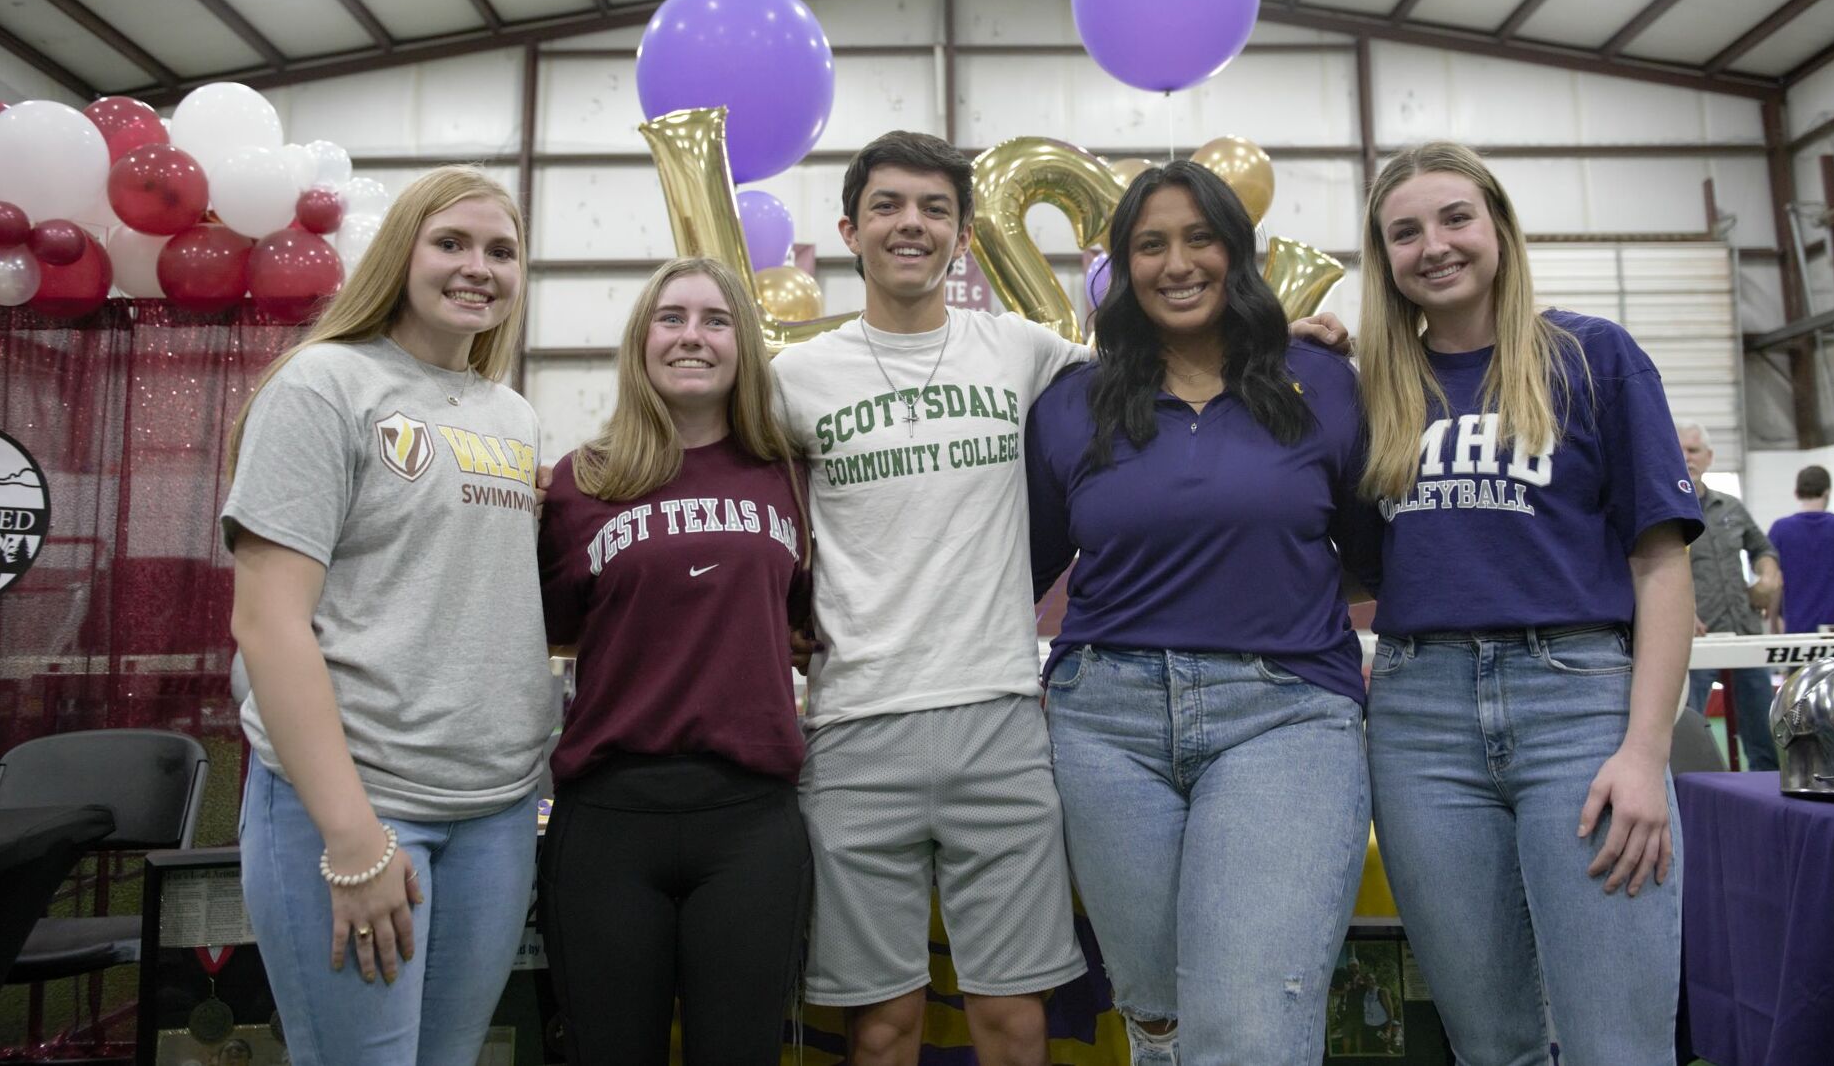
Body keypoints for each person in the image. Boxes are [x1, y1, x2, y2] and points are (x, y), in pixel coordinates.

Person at [1355, 142, 1701, 1066]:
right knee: (1491, 1043)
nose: (1434, 245)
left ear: (1499, 228)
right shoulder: (1373, 392)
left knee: (1617, 1043)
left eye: (1456, 218)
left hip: (1577, 704)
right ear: (1383, 257)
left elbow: (1662, 566)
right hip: (1419, 721)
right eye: (1405, 231)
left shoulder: (1594, 358)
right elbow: (1350, 574)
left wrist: (1645, 749)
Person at [1024, 161, 1372, 1065]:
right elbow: (1016, 566)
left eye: (1199, 238)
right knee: (1158, 1016)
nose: (1177, 263)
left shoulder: (1322, 383)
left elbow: (1378, 552)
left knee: (1249, 1025)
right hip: (1107, 727)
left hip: (1285, 718)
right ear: (1123, 266)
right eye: (1151, 243)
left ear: (1237, 251)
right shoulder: (1070, 406)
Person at [771, 131, 1093, 1066]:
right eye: (888, 205)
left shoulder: (1025, 350)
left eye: (934, 208)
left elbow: (1160, 372)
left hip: (998, 719)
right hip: (856, 725)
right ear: (850, 228)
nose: (911, 223)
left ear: (963, 233)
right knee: (881, 1026)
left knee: (1013, 1019)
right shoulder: (795, 379)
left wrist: (1290, 338)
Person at [225, 166, 554, 1066]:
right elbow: (268, 624)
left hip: (492, 812)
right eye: (451, 242)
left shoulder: (515, 417)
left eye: (502, 250)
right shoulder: (324, 384)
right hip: (359, 804)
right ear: (399, 253)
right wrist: (355, 840)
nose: (477, 266)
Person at [535, 257, 813, 1066]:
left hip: (751, 821)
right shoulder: (580, 482)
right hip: (609, 819)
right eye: (672, 318)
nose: (693, 336)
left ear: (743, 346)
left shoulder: (791, 476)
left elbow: (803, 619)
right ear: (640, 341)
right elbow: (552, 628)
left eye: (716, 320)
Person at [1679, 422, 1783, 770]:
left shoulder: (1731, 507)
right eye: (1678, 450)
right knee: (1690, 730)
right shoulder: (1663, 507)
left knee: (1761, 730)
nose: (1686, 458)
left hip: (1745, 633)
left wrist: (1767, 578)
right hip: (1694, 639)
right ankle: (1698, 799)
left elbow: (1762, 547)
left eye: (1693, 451)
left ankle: (1769, 804)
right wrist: (1679, 614)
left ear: (1708, 457)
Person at [1767, 464, 1834, 633]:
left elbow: (1774, 584)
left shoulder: (1780, 530)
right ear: (1827, 493)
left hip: (1797, 629)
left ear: (1796, 493)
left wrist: (1773, 624)